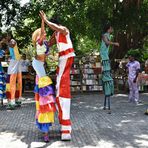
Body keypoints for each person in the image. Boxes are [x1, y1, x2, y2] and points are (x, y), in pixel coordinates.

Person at [39, 11, 75, 140]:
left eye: (53, 25)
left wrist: (47, 21)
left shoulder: (64, 29)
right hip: (62, 60)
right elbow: (48, 43)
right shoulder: (56, 34)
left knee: (61, 92)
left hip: (66, 58)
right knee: (60, 91)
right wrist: (41, 38)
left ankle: (66, 128)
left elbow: (58, 28)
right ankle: (65, 127)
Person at [32, 17, 56, 142]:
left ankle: (45, 131)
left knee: (43, 103)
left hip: (39, 73)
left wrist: (55, 30)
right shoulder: (39, 42)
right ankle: (45, 132)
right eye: (43, 33)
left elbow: (51, 41)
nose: (44, 34)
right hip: (40, 71)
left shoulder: (44, 43)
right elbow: (42, 34)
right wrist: (43, 20)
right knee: (44, 103)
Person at [100, 23, 119, 114]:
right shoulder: (104, 35)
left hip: (105, 55)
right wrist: (115, 43)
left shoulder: (108, 35)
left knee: (107, 72)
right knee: (106, 71)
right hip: (104, 55)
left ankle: (108, 89)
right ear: (109, 29)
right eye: (111, 28)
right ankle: (107, 88)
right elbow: (107, 43)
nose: (112, 29)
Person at [5, 33, 22, 110]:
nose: (6, 37)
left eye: (7, 36)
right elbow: (9, 51)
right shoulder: (10, 42)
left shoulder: (12, 41)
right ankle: (18, 100)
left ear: (10, 36)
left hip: (15, 60)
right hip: (15, 60)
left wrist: (5, 42)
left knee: (11, 79)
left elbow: (12, 45)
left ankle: (12, 102)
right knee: (18, 80)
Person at [0, 36, 7, 105]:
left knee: (1, 86)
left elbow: (2, 60)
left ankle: (1, 101)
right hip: (1, 70)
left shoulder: (2, 51)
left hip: (1, 70)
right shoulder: (2, 51)